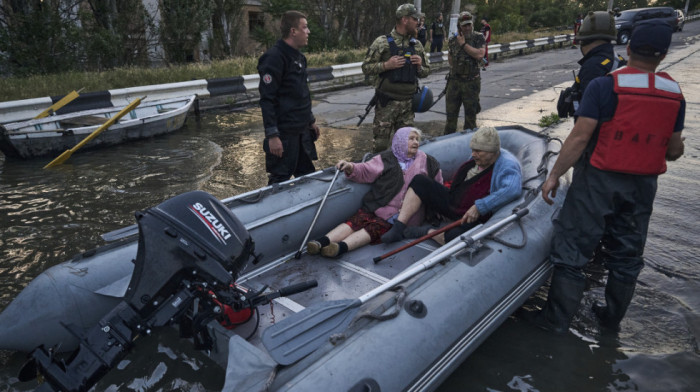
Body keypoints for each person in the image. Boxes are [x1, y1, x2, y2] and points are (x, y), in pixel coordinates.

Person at [533, 20, 686, 334]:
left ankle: (556, 322)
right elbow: (673, 151)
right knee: (628, 255)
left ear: (627, 49)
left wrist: (554, 176)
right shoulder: (675, 94)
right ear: (663, 55)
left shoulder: (606, 85)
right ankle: (610, 320)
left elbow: (579, 137)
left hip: (598, 180)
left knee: (573, 249)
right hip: (643, 187)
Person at [306, 127, 442, 258]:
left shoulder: (428, 161)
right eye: (411, 138)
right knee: (356, 220)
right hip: (379, 206)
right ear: (400, 141)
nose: (416, 142)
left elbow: (436, 187)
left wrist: (437, 211)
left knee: (375, 227)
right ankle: (321, 242)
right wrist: (350, 167)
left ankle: (341, 247)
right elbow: (366, 170)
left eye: (417, 139)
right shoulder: (386, 158)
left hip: (406, 216)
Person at [380, 126, 522, 245]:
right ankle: (399, 227)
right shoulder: (478, 158)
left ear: (492, 151)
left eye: (478, 151)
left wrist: (480, 207)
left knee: (455, 238)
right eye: (473, 150)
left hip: (473, 216)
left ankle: (427, 231)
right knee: (419, 180)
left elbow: (511, 189)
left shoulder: (507, 165)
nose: (473, 154)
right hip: (455, 201)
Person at [258, 11, 321, 185]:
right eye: (305, 27)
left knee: (308, 176)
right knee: (280, 178)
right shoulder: (274, 58)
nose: (308, 31)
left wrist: (310, 121)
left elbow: (300, 93)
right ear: (293, 31)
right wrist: (272, 135)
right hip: (284, 134)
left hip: (302, 132)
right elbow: (267, 100)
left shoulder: (299, 58)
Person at [362, 3, 430, 153]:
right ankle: (380, 173)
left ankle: (403, 174)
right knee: (380, 146)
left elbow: (426, 72)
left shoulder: (417, 45)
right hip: (387, 104)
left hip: (408, 105)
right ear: (405, 20)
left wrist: (419, 66)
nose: (417, 23)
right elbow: (366, 67)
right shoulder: (382, 42)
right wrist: (386, 65)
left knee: (406, 147)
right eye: (414, 19)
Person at [557, 10, 627, 118]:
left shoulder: (593, 67)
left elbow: (588, 114)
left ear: (585, 40)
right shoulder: (618, 59)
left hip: (597, 132)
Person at [444, 11, 486, 135]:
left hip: (471, 82)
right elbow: (450, 58)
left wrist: (463, 44)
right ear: (459, 26)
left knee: (470, 119)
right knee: (450, 119)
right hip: (455, 82)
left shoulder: (478, 37)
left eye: (469, 25)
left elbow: (479, 54)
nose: (467, 28)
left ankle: (470, 146)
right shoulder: (453, 40)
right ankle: (448, 145)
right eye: (464, 25)